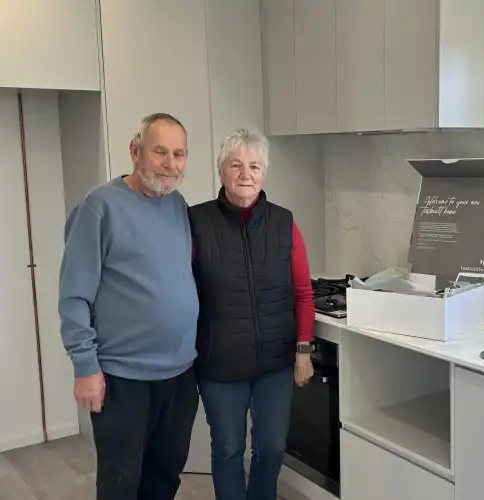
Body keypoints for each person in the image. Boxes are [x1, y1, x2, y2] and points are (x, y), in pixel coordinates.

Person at [58, 112, 200, 500]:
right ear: (134, 152)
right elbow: (74, 296)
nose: (171, 164)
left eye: (179, 154)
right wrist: (85, 366)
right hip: (124, 378)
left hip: (180, 374)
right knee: (122, 482)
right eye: (160, 152)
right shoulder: (98, 208)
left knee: (165, 476)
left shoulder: (177, 205)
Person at [189, 128, 315, 500]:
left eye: (255, 166)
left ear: (264, 173)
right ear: (221, 170)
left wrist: (303, 350)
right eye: (236, 165)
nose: (246, 174)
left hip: (274, 363)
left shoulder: (284, 222)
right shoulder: (197, 222)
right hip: (219, 364)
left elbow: (303, 293)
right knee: (228, 448)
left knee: (272, 447)